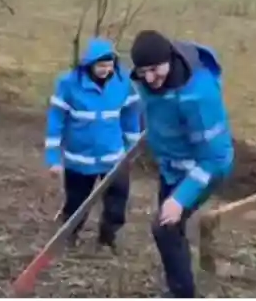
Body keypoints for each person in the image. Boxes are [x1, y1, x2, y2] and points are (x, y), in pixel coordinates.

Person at [129, 30, 234, 299]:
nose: (150, 79)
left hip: (202, 170)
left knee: (165, 228)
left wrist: (181, 198)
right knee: (170, 230)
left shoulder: (198, 97)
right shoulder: (150, 81)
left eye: (155, 70)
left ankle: (182, 294)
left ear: (169, 60)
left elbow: (216, 157)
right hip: (171, 167)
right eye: (143, 72)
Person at [44, 37, 142, 251]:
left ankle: (108, 237)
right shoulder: (69, 84)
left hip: (114, 158)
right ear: (89, 64)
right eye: (101, 65)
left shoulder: (123, 84)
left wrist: (132, 149)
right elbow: (56, 121)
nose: (105, 70)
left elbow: (130, 117)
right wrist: (53, 158)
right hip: (79, 159)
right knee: (76, 201)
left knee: (117, 201)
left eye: (109, 65)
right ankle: (70, 234)